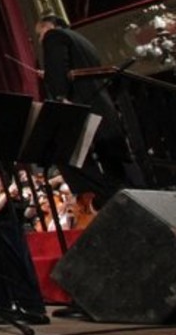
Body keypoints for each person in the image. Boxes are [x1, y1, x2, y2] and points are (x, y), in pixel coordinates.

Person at [35, 14, 144, 202]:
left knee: (62, 154)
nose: (40, 39)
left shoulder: (54, 36)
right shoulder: (84, 42)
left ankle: (103, 200)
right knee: (115, 170)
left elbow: (59, 75)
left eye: (40, 33)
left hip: (80, 111)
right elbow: (74, 70)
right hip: (102, 110)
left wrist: (60, 95)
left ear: (50, 26)